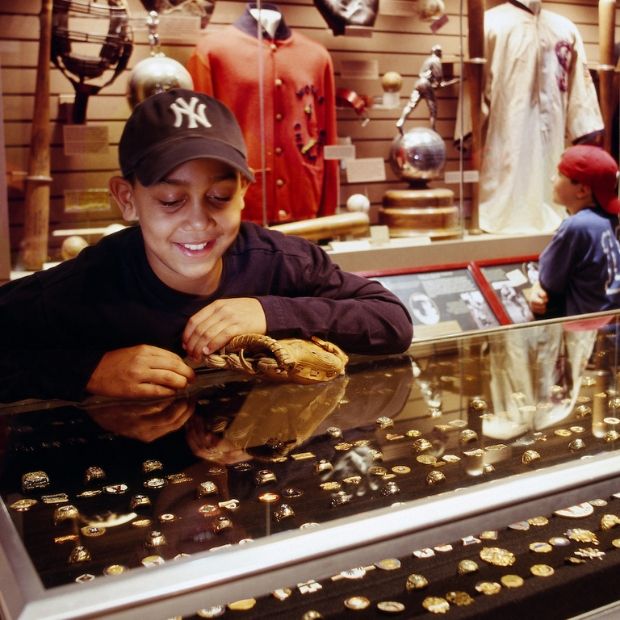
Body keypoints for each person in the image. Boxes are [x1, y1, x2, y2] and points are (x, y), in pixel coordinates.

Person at [0, 89, 413, 404]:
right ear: (127, 198)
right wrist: (87, 371)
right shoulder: (89, 285)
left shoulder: (279, 261)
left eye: (218, 196)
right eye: (170, 201)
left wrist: (270, 311)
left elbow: (392, 321)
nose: (198, 222)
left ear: (244, 192)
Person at [528, 145, 620, 319]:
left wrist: (536, 287)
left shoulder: (577, 226)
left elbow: (549, 282)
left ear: (582, 190)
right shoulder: (613, 219)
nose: (552, 179)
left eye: (560, 174)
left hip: (587, 332)